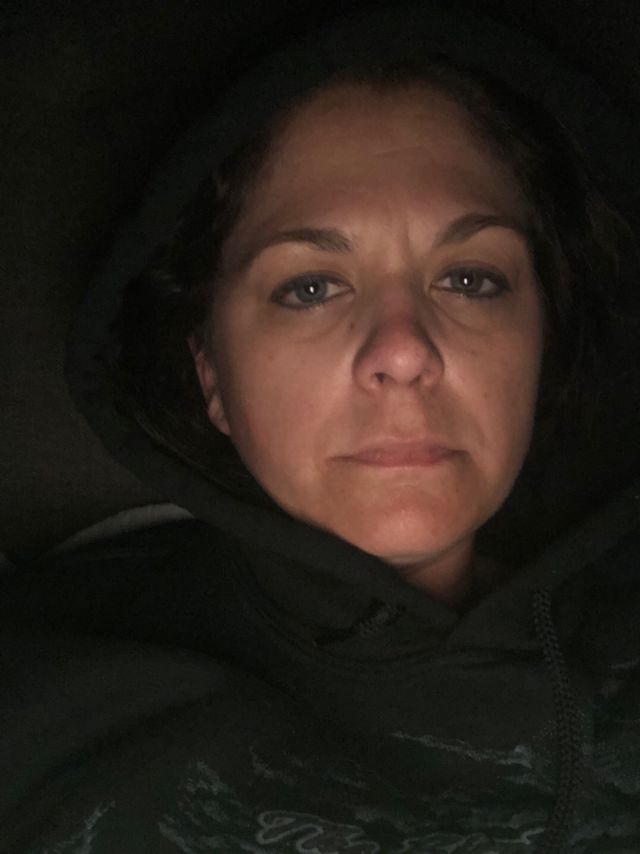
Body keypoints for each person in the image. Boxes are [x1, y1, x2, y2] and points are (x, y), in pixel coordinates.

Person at [1, 3, 640, 853]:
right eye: (310, 288)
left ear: (543, 343)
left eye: (470, 279)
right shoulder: (46, 693)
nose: (404, 351)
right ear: (210, 376)